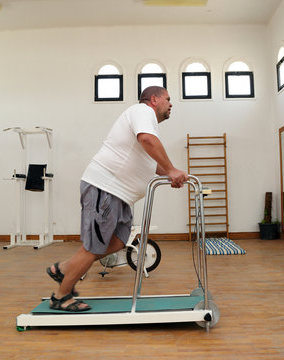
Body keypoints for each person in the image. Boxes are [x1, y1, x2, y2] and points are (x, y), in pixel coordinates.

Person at [46, 86, 189, 311]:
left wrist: (171, 173)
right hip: (106, 188)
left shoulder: (146, 121)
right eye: (168, 99)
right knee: (94, 246)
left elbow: (151, 162)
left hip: (120, 195)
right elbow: (147, 140)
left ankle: (63, 269)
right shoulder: (142, 112)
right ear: (153, 99)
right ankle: (61, 296)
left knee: (119, 241)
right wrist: (171, 169)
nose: (171, 104)